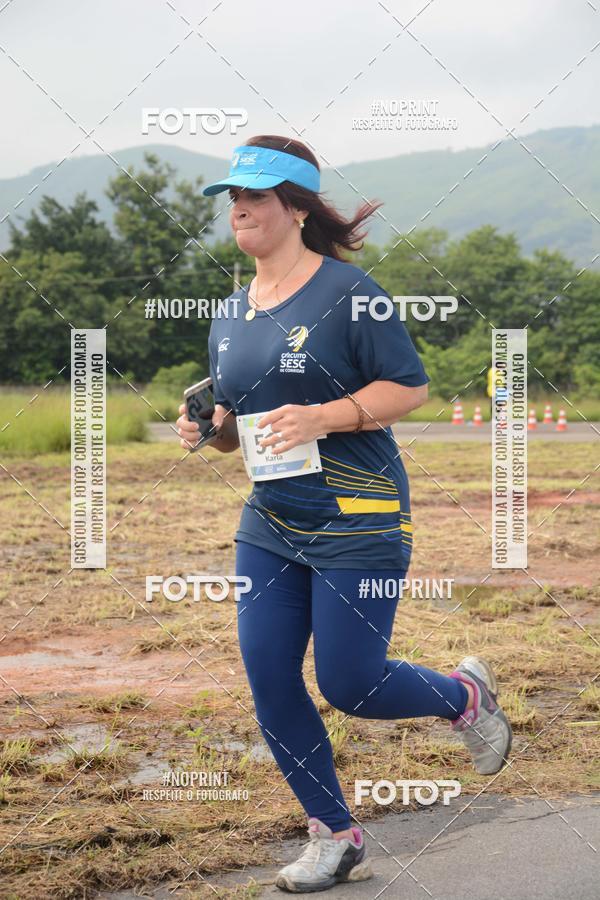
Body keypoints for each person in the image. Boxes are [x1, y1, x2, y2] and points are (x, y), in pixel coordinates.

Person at [176, 135, 512, 893]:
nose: (239, 209)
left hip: (359, 511)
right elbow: (240, 432)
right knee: (268, 677)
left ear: (294, 208)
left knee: (351, 683)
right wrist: (212, 429)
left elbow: (409, 388)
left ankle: (464, 697)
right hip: (271, 518)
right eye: (233, 198)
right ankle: (335, 834)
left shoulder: (349, 292)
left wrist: (324, 415)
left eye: (255, 197)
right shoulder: (230, 312)